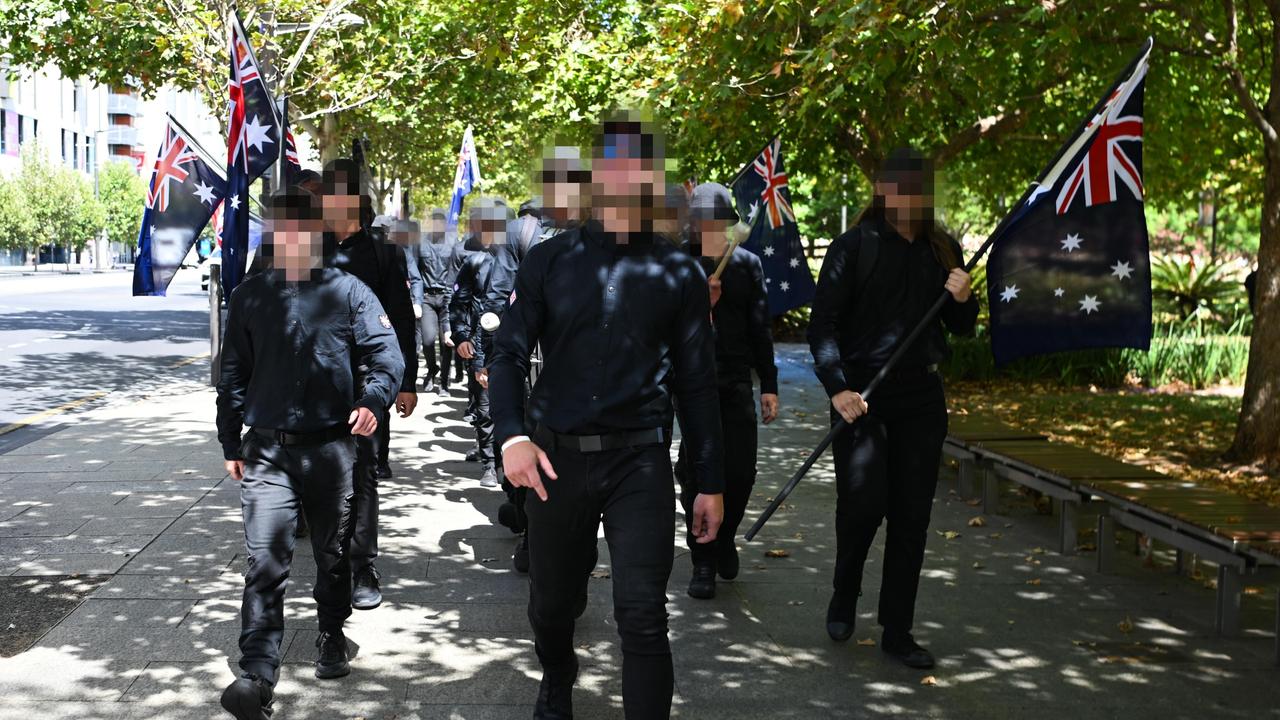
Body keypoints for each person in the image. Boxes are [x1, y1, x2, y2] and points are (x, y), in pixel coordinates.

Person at [489, 113, 724, 720]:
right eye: (614, 164)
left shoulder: (679, 272)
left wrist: (711, 483)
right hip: (553, 459)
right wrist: (512, 437)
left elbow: (700, 386)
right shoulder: (549, 260)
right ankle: (557, 678)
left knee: (643, 614)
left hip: (639, 462)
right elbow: (510, 351)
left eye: (639, 165)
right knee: (551, 603)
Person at [215, 188, 404, 720]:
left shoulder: (350, 291)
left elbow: (386, 355)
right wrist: (230, 440)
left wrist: (372, 400)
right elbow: (232, 376)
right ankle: (257, 672)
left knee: (333, 554)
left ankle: (330, 633)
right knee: (265, 559)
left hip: (331, 450)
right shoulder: (251, 296)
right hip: (267, 451)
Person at [807, 147, 977, 670]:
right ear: (883, 190)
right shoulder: (854, 246)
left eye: (916, 188)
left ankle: (897, 628)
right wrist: (837, 389)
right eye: (897, 187)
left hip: (922, 400)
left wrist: (965, 298)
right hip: (862, 399)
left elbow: (962, 330)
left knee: (911, 516)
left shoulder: (943, 250)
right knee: (862, 506)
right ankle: (844, 592)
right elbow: (822, 326)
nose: (907, 198)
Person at [320, 158, 419, 611]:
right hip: (314, 382)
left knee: (363, 476)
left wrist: (406, 381)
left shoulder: (383, 254)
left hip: (366, 384)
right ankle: (328, 557)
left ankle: (363, 565)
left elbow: (399, 319)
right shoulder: (306, 248)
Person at [677, 182, 779, 600]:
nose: (710, 228)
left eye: (718, 221)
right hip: (692, 381)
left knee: (741, 472)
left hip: (736, 379)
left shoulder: (747, 263)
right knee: (698, 471)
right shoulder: (679, 262)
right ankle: (702, 560)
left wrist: (768, 384)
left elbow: (760, 327)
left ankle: (725, 534)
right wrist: (704, 306)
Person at [449, 197, 512, 488]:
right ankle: (489, 462)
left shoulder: (525, 259)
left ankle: (505, 460)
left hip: (515, 343)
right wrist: (461, 335)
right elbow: (458, 303)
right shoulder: (473, 261)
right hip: (481, 342)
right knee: (485, 406)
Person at [414, 209, 457, 396]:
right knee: (428, 340)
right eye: (435, 221)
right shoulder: (420, 243)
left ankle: (444, 383)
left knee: (447, 341)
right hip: (427, 297)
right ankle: (432, 369)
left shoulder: (453, 242)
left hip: (447, 297)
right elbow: (414, 270)